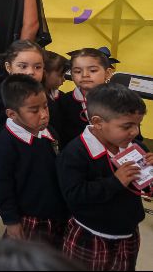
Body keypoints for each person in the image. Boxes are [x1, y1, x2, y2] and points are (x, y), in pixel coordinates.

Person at [57, 84, 151, 271]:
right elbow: (74, 195)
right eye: (127, 126)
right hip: (89, 235)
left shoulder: (137, 148)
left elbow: (146, 188)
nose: (135, 132)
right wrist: (115, 182)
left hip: (128, 235)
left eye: (138, 124)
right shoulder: (75, 153)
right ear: (98, 122)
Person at [0, 75, 67, 249]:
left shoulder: (50, 133)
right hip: (28, 218)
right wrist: (11, 221)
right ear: (12, 114)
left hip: (55, 213)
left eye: (45, 106)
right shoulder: (6, 143)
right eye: (34, 110)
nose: (44, 115)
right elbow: (3, 185)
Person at [0, 39, 46, 243]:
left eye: (37, 67)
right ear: (9, 67)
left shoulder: (43, 97)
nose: (30, 72)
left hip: (31, 163)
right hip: (0, 161)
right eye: (22, 66)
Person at [57, 48, 114, 147]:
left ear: (107, 73)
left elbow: (134, 136)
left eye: (92, 70)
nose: (85, 75)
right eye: (77, 71)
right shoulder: (62, 102)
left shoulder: (121, 100)